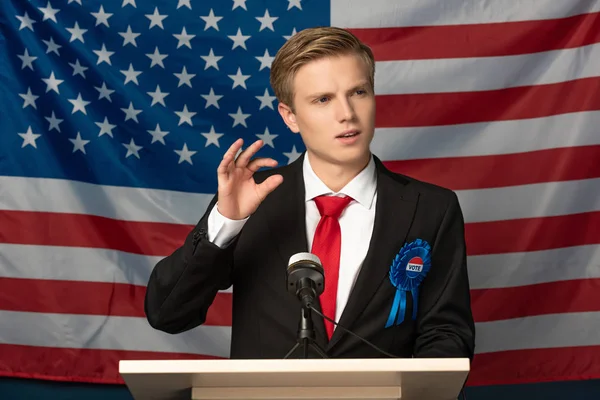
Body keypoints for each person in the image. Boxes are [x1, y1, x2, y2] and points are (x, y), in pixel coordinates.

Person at [144, 26, 475, 360]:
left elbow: (446, 334)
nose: (346, 113)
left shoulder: (433, 208)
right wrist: (227, 223)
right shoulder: (252, 200)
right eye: (323, 99)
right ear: (290, 117)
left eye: (358, 92)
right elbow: (167, 314)